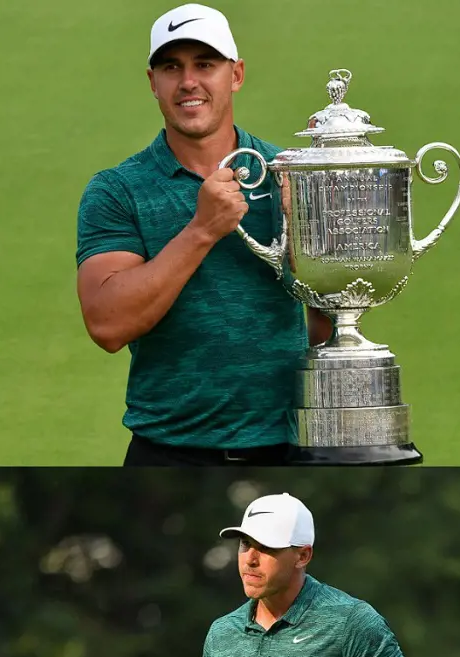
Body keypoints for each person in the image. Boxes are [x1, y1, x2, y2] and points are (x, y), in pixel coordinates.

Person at [75, 4, 332, 467]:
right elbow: (107, 325)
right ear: (153, 81)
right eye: (172, 67)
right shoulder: (117, 190)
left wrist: (311, 242)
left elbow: (328, 323)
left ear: (235, 75)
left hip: (290, 443)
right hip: (168, 451)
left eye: (205, 64)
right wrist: (202, 229)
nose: (188, 81)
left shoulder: (291, 174)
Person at [138, 492, 424, 657]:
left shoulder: (351, 620)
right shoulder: (224, 633)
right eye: (244, 544)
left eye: (266, 547)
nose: (250, 558)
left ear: (302, 556)